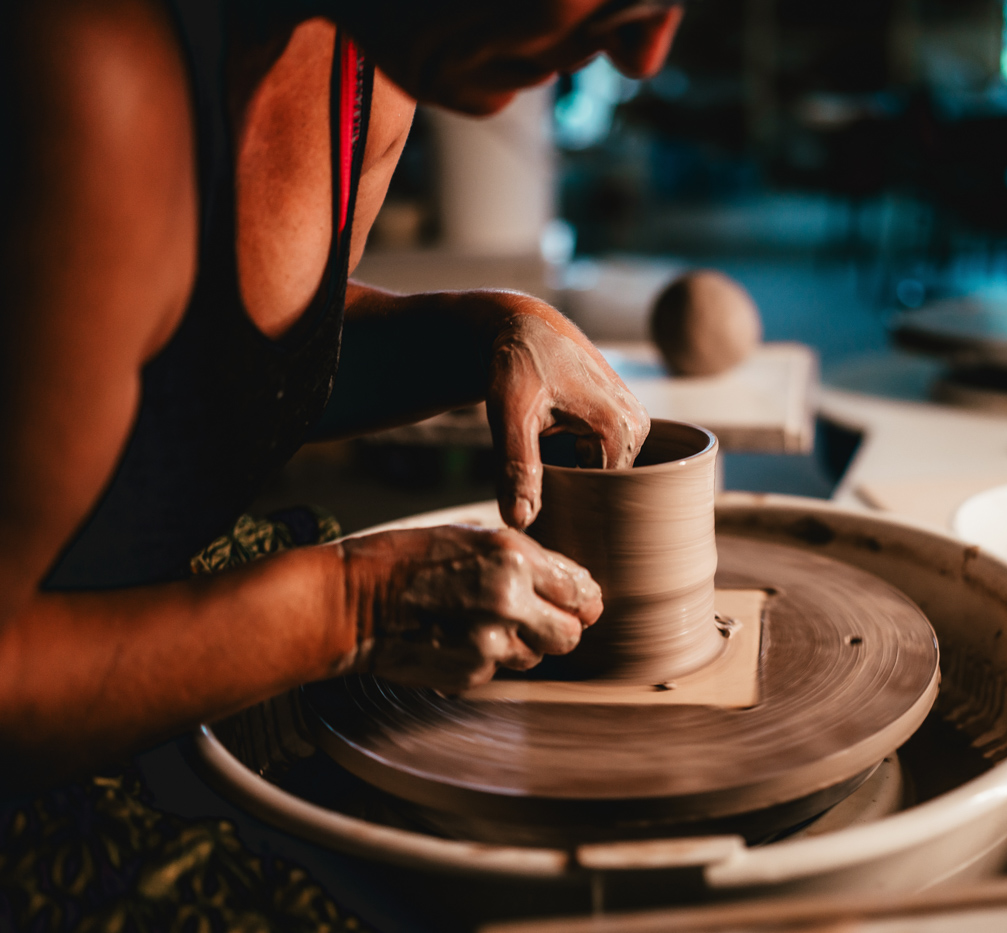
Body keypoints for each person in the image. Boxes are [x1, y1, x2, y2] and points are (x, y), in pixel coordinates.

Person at [0, 0, 683, 793]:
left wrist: (482, 332)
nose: (644, 55)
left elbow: (210, 372)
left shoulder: (369, 71)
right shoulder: (91, 74)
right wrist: (354, 605)